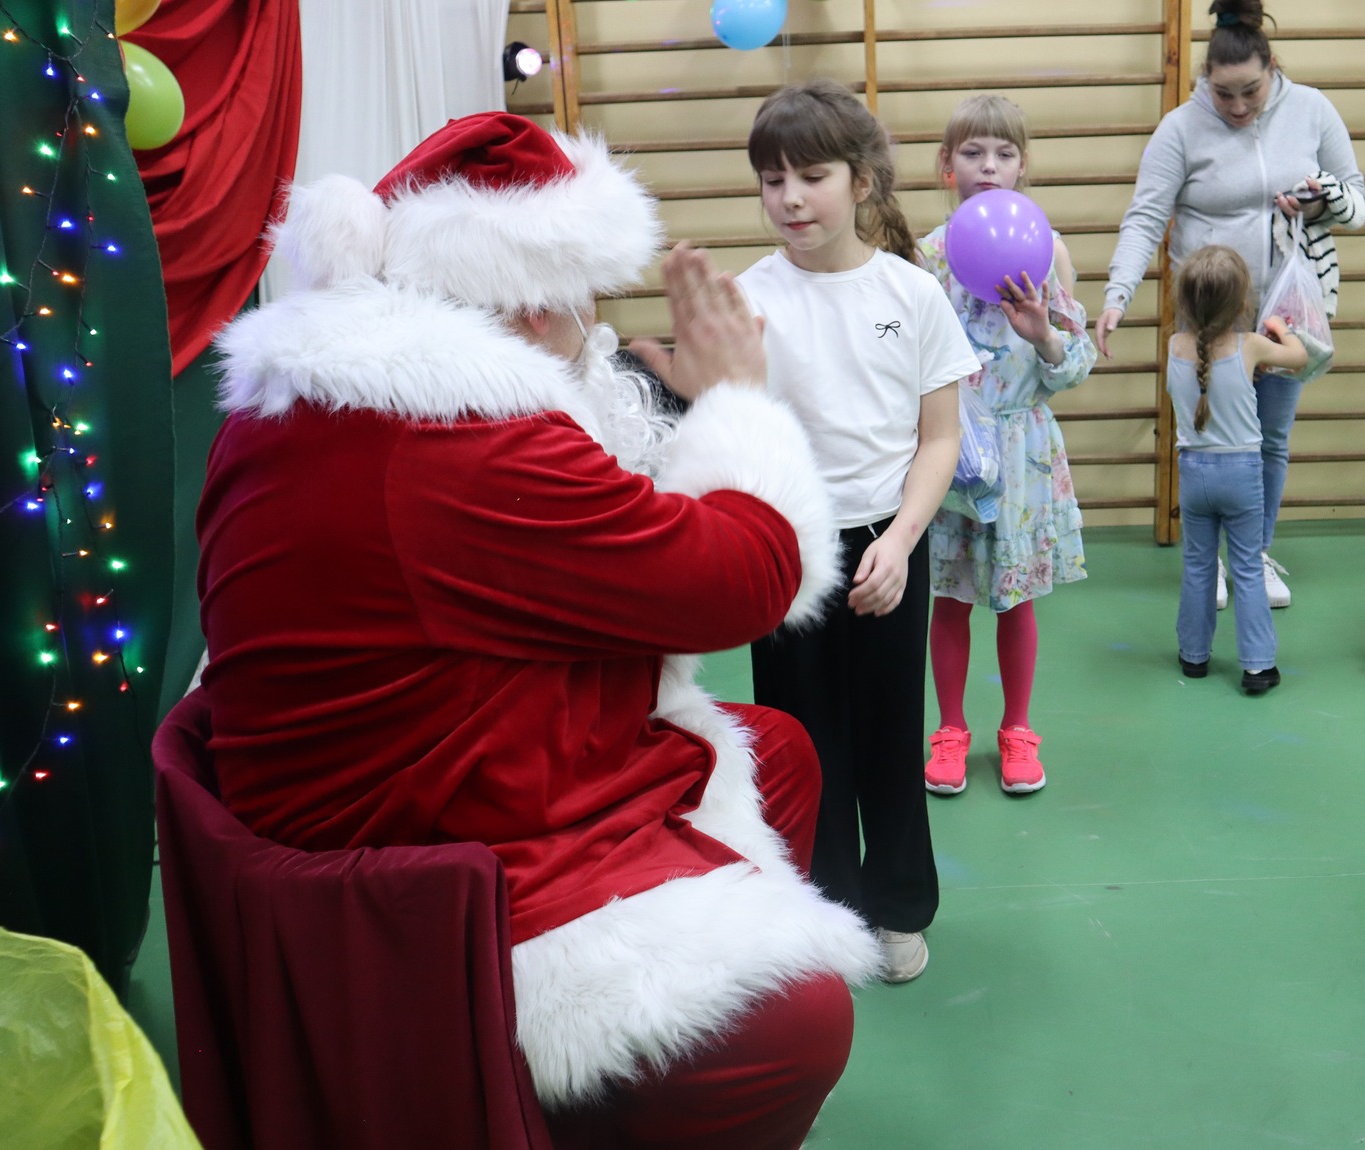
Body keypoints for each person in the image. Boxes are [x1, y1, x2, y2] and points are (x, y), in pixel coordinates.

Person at [197, 112, 879, 1148]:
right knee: (793, 1025)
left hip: (395, 778)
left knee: (775, 750)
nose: (592, 328)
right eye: (583, 299)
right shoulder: (466, 441)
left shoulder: (308, 405)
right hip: (426, 870)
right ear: (530, 310)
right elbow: (749, 577)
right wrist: (738, 400)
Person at [728, 80, 980, 984]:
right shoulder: (746, 301)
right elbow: (732, 433)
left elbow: (939, 438)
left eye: (811, 177)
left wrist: (901, 540)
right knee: (801, 743)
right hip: (785, 552)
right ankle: (823, 913)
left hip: (886, 545)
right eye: (772, 181)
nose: (790, 199)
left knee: (886, 737)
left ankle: (899, 908)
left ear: (862, 181)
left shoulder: (911, 294)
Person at [1096, 0, 1365, 611]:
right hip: (1211, 317)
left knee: (1270, 439)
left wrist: (1318, 203)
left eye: (1251, 91)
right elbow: (1145, 219)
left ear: (1273, 69)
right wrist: (1118, 294)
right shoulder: (1180, 128)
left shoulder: (1313, 110)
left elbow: (1355, 199)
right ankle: (1209, 559)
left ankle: (1254, 552)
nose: (1239, 107)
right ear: (1205, 80)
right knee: (1209, 443)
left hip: (1286, 314)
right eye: (1223, 94)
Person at [916, 95, 1098, 797]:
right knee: (950, 598)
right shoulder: (927, 257)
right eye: (972, 153)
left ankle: (1018, 728)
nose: (988, 166)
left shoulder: (1044, 252)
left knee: (1016, 600)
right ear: (947, 165)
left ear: (1024, 166)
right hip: (952, 452)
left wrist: (1044, 334)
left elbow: (1074, 365)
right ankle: (950, 729)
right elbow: (902, 350)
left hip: (1022, 456)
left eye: (1004, 153)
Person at [1164, 247, 1308, 694]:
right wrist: (1281, 328)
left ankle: (1193, 656)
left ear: (1183, 302)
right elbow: (1299, 357)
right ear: (1243, 303)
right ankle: (1258, 666)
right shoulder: (1251, 346)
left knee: (1198, 565)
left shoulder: (1174, 346)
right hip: (1241, 473)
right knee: (1246, 567)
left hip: (1193, 472)